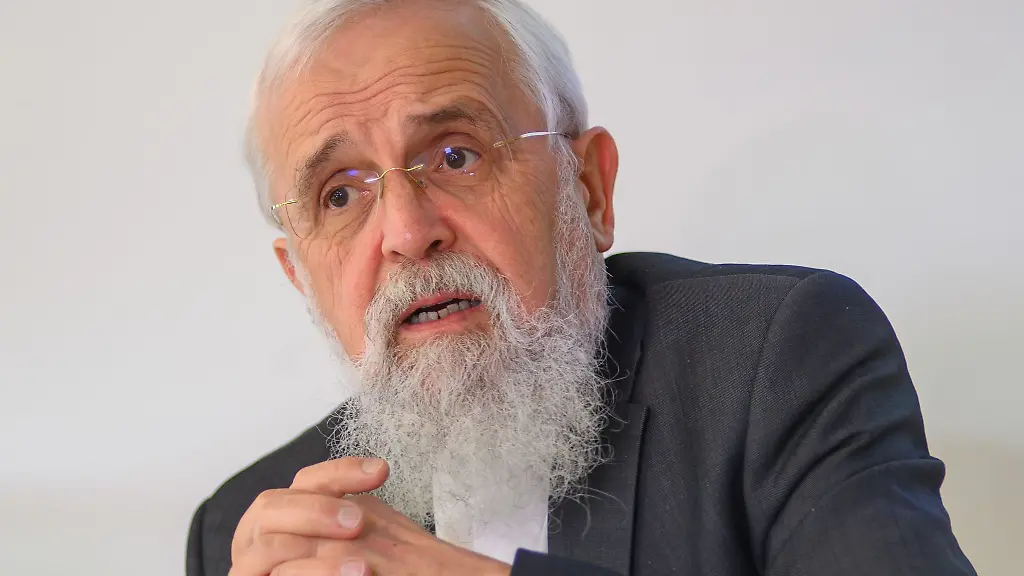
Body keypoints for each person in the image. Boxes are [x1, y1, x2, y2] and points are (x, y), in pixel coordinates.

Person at [186, 0, 977, 574]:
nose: (405, 232)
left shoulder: (779, 359)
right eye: (339, 195)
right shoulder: (250, 529)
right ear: (301, 277)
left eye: (456, 155)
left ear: (589, 191)